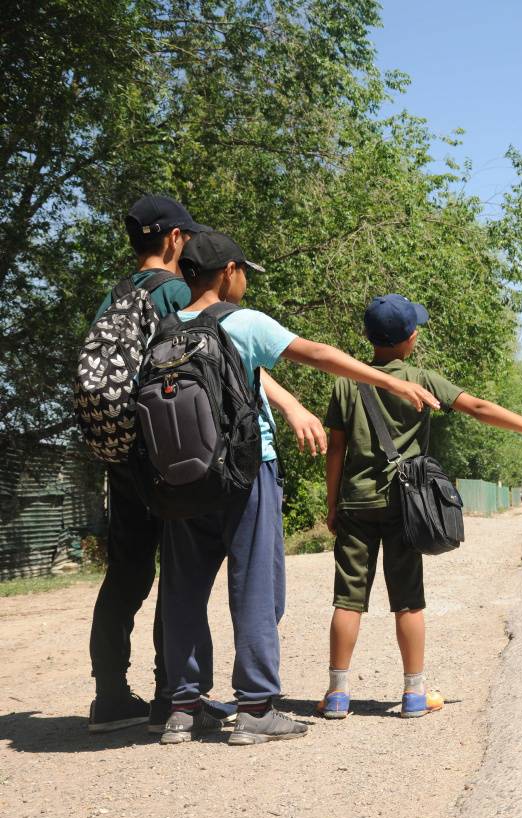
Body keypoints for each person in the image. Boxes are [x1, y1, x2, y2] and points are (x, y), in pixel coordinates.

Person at [158, 233, 442, 746]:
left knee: (182, 592)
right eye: (244, 271)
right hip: (245, 471)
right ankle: (255, 708)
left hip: (181, 478)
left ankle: (182, 708)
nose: (245, 280)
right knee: (256, 588)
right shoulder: (242, 322)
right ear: (227, 272)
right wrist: (392, 382)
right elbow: (317, 354)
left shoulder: (168, 329)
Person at [87, 195, 326, 734]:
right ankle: (204, 699)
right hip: (207, 457)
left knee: (141, 578)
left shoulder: (116, 296)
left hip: (137, 452)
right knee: (224, 579)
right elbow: (222, 356)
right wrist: (289, 403)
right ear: (174, 240)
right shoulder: (179, 294)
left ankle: (135, 700)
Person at [317, 294, 522, 719]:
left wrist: (332, 503)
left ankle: (337, 694)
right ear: (409, 339)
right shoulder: (422, 379)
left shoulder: (347, 381)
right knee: (408, 599)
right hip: (406, 505)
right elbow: (477, 407)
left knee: (348, 599)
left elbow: (335, 450)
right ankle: (414, 694)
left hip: (356, 504)